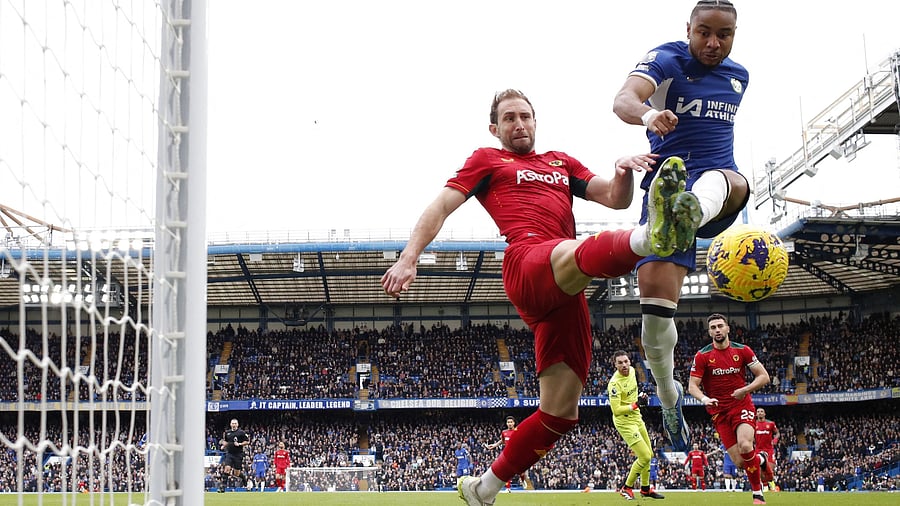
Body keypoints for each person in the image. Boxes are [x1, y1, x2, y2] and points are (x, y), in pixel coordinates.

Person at [381, 89, 698, 506]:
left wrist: (622, 172)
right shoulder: (486, 160)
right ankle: (649, 238)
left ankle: (483, 489)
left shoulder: (561, 162)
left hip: (565, 291)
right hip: (529, 261)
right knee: (573, 249)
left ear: (535, 121)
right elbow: (440, 206)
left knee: (561, 413)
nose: (519, 124)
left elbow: (614, 199)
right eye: (509, 118)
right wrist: (409, 258)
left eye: (525, 116)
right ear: (495, 128)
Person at [612, 0, 750, 453]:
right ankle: (669, 397)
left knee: (733, 180)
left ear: (734, 34)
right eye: (704, 32)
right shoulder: (667, 59)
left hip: (715, 186)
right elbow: (623, 99)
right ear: (688, 29)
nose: (713, 42)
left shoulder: (739, 77)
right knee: (655, 322)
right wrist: (649, 115)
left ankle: (690, 211)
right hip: (664, 188)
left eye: (723, 34)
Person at [687, 313, 773, 505]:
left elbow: (764, 376)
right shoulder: (703, 355)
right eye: (713, 328)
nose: (717, 330)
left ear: (728, 328)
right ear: (709, 332)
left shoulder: (743, 351)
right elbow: (692, 385)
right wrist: (704, 398)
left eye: (720, 326)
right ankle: (761, 459)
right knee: (741, 462)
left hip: (741, 404)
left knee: (745, 445)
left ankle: (757, 493)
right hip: (719, 412)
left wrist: (745, 389)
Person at [607, 350, 665, 500]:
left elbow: (632, 395)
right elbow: (616, 410)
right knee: (645, 456)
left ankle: (645, 489)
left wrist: (640, 398)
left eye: (626, 361)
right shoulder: (614, 384)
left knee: (650, 454)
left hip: (636, 417)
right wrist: (635, 404)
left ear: (629, 362)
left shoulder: (632, 371)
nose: (624, 365)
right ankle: (627, 487)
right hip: (624, 421)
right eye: (620, 363)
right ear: (615, 365)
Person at [483, 416, 528, 492]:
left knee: (521, 472)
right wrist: (494, 445)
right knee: (507, 472)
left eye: (511, 422)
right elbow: (502, 441)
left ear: (514, 423)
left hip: (517, 454)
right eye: (508, 422)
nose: (510, 423)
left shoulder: (518, 430)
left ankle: (523, 480)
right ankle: (508, 488)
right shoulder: (504, 432)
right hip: (508, 455)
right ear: (506, 423)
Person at [218, 418, 250, 493]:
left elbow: (247, 441)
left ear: (237, 424)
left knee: (236, 473)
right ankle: (222, 487)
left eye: (235, 423)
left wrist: (239, 444)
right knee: (227, 469)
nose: (234, 425)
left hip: (238, 454)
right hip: (230, 453)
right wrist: (223, 445)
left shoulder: (241, 432)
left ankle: (244, 478)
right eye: (233, 423)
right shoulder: (227, 432)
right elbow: (225, 441)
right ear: (230, 424)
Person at [755, 407, 780, 491]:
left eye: (761, 411)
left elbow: (777, 433)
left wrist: (775, 439)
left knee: (770, 467)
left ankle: (772, 484)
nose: (760, 413)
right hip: (758, 450)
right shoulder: (754, 424)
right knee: (760, 470)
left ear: (764, 414)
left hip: (769, 449)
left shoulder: (771, 424)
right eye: (758, 411)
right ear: (756, 414)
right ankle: (765, 487)